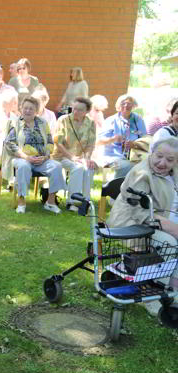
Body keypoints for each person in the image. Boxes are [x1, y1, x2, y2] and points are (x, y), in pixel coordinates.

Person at [106, 137, 178, 315]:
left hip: (164, 217)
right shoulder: (142, 174)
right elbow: (139, 212)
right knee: (170, 243)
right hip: (131, 222)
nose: (162, 163)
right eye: (159, 156)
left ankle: (173, 289)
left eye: (169, 160)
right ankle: (153, 295)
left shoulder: (173, 171)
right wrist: (173, 228)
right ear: (151, 153)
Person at [4, 96, 65, 214]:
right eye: (25, 108)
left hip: (42, 159)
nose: (27, 111)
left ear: (36, 111)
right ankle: (21, 202)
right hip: (22, 158)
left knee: (56, 166)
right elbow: (10, 143)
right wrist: (26, 157)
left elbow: (50, 141)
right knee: (23, 167)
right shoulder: (16, 123)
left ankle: (50, 202)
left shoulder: (42, 123)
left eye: (31, 109)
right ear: (21, 109)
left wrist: (46, 156)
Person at [53, 97, 97, 208]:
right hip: (61, 156)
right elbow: (58, 142)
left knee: (89, 168)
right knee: (78, 168)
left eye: (80, 110)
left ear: (87, 111)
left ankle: (85, 200)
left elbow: (90, 144)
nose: (76, 111)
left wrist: (87, 158)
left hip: (80, 158)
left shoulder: (90, 123)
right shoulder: (63, 120)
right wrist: (72, 157)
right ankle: (72, 202)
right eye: (74, 108)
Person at [95, 94, 147, 179]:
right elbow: (98, 142)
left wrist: (134, 144)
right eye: (123, 103)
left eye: (129, 103)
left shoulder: (138, 120)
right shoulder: (111, 120)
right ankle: (113, 188)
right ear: (118, 106)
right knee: (127, 165)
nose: (126, 105)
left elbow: (145, 139)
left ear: (134, 106)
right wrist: (113, 139)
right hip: (113, 156)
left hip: (135, 156)